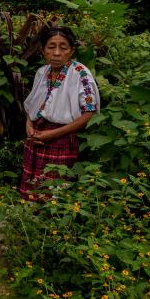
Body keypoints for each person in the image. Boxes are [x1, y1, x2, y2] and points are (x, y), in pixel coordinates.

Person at [19, 26, 101, 201]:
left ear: (71, 51)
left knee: (54, 191)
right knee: (33, 185)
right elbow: (33, 105)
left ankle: (50, 225)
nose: (56, 53)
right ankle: (27, 221)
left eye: (63, 48)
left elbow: (89, 114)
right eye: (51, 47)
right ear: (43, 51)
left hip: (63, 138)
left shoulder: (81, 75)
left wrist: (52, 134)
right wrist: (29, 125)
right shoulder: (42, 72)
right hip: (37, 136)